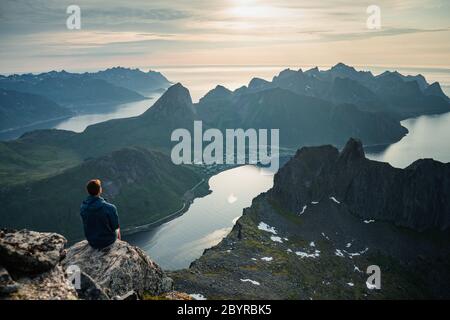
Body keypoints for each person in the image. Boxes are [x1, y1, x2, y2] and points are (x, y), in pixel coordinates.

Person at [80, 179, 121, 249]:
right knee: (118, 229)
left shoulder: (83, 207)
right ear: (100, 190)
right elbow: (115, 226)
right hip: (107, 241)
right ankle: (118, 246)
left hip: (92, 242)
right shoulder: (110, 207)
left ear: (88, 191)